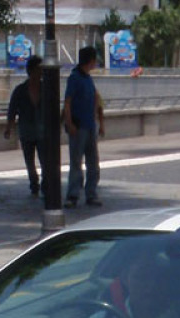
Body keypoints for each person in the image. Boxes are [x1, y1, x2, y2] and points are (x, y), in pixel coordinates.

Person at [63, 45, 103, 208]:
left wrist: (97, 120)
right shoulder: (75, 78)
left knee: (93, 162)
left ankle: (91, 193)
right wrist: (69, 123)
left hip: (89, 125)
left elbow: (95, 100)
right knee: (76, 162)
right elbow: (67, 102)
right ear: (91, 61)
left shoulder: (88, 78)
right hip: (78, 126)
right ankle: (73, 194)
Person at [3, 56, 45, 196]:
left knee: (45, 160)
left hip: (42, 131)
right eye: (39, 69)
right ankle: (34, 184)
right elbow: (12, 110)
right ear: (31, 70)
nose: (41, 72)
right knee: (30, 161)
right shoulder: (20, 90)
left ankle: (45, 184)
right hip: (26, 131)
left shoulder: (46, 89)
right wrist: (8, 127)